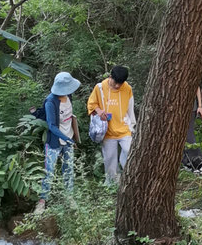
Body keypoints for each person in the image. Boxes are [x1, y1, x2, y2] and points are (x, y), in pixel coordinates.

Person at [35, 71, 81, 212]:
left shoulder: (69, 96)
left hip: (69, 139)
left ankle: (69, 197)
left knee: (68, 169)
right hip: (55, 141)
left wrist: (72, 137)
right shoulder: (50, 102)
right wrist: (67, 139)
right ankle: (42, 201)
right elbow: (52, 125)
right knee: (49, 171)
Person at [87, 65, 136, 183]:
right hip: (108, 132)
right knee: (110, 161)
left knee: (129, 152)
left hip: (124, 128)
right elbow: (91, 104)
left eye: (121, 83)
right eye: (115, 83)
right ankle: (112, 185)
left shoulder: (127, 89)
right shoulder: (100, 87)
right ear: (110, 77)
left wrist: (132, 125)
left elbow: (130, 108)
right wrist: (99, 111)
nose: (118, 86)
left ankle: (128, 178)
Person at [182, 88, 202, 174]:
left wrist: (200, 106)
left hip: (190, 109)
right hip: (176, 109)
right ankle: (188, 164)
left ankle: (201, 163)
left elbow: (196, 87)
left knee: (189, 136)